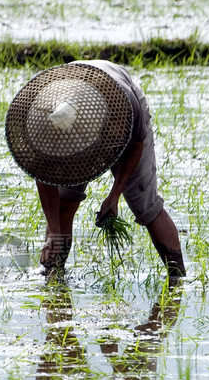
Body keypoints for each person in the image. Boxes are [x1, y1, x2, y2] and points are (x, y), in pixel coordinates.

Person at [34, 60, 186, 282]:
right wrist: (54, 233)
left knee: (146, 206)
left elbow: (135, 146)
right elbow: (43, 176)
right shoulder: (43, 122)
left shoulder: (121, 104)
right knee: (65, 200)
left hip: (119, 108)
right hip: (71, 102)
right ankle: (54, 273)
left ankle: (178, 277)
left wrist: (114, 196)